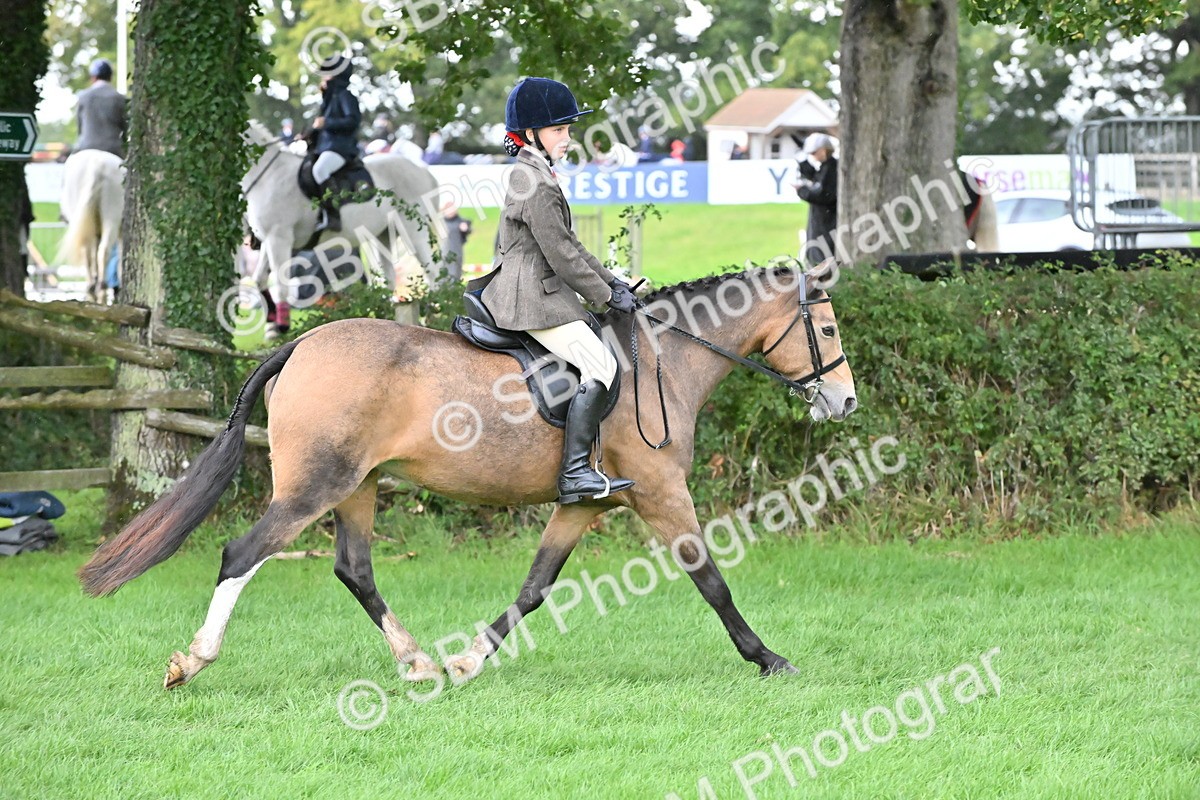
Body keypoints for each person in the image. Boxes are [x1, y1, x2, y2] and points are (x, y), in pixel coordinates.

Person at [480, 77, 638, 504]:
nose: (568, 139)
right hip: (529, 299)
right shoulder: (534, 181)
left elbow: (571, 246)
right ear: (530, 134)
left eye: (568, 129)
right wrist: (607, 298)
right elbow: (562, 257)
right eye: (558, 130)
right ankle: (574, 475)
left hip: (539, 288)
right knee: (603, 366)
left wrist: (613, 283)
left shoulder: (536, 173)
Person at [311, 54, 362, 234]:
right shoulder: (329, 98)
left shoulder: (345, 96)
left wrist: (326, 123)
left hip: (341, 148)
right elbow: (322, 128)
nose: (323, 77)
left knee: (319, 170)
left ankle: (333, 215)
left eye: (327, 74)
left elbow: (353, 121)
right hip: (326, 146)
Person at [794, 132, 838, 266]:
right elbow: (815, 179)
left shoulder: (831, 168)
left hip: (826, 222)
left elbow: (823, 195)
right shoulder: (827, 166)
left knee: (821, 256)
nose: (812, 156)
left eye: (814, 153)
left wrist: (801, 191)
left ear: (823, 150)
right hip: (821, 220)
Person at [74, 59, 126, 158]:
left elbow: (80, 128)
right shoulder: (119, 98)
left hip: (87, 147)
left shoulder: (83, 96)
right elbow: (125, 127)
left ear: (93, 77)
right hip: (112, 149)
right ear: (110, 77)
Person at [441, 200, 473, 283]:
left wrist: (465, 229)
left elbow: (468, 231)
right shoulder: (441, 222)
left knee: (456, 277)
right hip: (445, 255)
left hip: (457, 254)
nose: (451, 211)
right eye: (449, 209)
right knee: (446, 278)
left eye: (452, 208)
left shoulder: (460, 221)